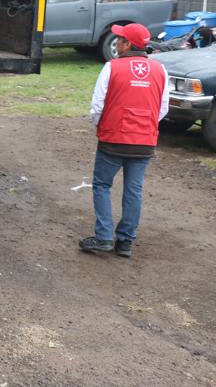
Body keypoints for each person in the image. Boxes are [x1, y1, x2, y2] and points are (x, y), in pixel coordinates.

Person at [80, 23, 169, 259]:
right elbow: (162, 108)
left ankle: (104, 237)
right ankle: (126, 242)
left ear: (128, 44)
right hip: (144, 142)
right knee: (134, 190)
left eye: (119, 39)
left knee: (101, 186)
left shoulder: (112, 67)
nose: (116, 42)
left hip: (113, 139)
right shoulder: (160, 70)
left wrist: (99, 125)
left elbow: (97, 105)